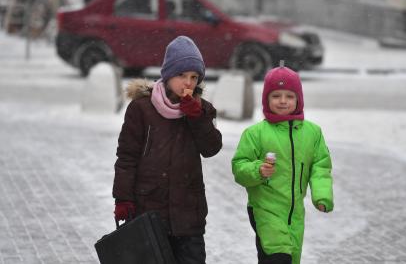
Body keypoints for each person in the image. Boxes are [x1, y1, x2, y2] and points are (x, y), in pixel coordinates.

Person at [113, 36, 222, 264]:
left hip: (189, 214)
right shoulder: (141, 109)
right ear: (169, 74)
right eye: (182, 75)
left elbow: (211, 148)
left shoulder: (202, 110)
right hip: (150, 209)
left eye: (194, 77)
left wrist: (196, 117)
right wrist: (123, 199)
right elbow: (127, 158)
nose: (188, 83)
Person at [231, 65, 334, 264]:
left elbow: (320, 166)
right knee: (277, 255)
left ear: (298, 100)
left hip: (295, 211)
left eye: (289, 96)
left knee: (292, 256)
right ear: (266, 99)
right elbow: (239, 167)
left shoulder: (312, 133)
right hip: (264, 208)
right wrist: (257, 169)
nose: (283, 101)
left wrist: (322, 195)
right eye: (276, 96)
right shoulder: (255, 133)